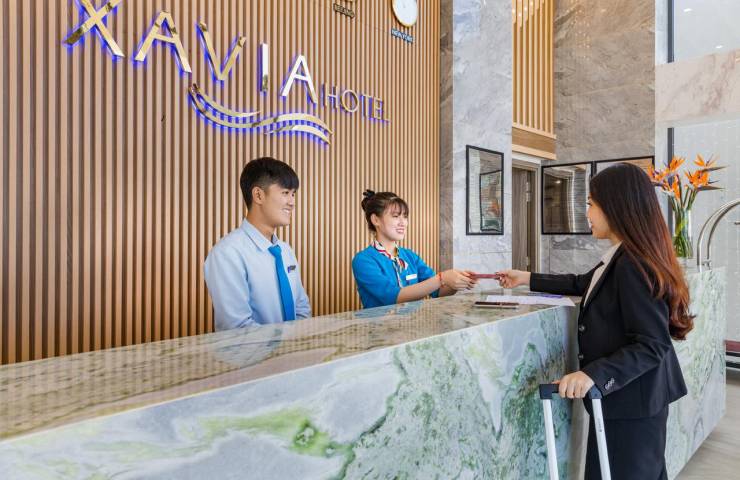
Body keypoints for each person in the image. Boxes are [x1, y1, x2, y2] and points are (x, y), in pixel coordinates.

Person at [498, 163, 693, 479]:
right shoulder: (623, 256)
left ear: (616, 206)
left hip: (632, 405)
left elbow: (652, 344)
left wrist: (594, 374)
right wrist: (527, 277)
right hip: (633, 401)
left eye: (590, 203)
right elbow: (582, 283)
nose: (585, 212)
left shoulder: (632, 265)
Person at [204, 157, 311, 329]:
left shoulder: (285, 251)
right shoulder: (227, 253)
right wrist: (286, 341)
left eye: (293, 194)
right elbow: (237, 327)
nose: (292, 203)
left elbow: (302, 309)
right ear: (258, 195)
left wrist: (297, 340)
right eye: (285, 193)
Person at [352, 190, 477, 309]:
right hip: (379, 324)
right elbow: (393, 297)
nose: (403, 223)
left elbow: (438, 292)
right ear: (375, 220)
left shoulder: (410, 256)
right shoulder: (363, 260)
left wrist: (457, 282)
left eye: (405, 217)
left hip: (412, 323)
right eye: (395, 216)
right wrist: (442, 278)